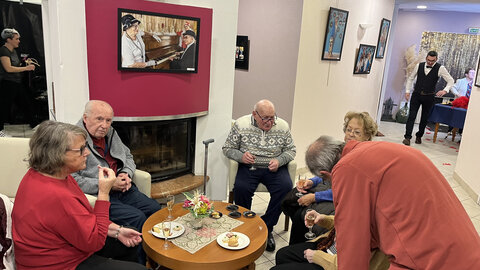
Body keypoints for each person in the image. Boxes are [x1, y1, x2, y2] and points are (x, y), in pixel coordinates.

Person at [303, 136, 480, 269]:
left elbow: (353, 248)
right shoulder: (377, 148)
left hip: (430, 260)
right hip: (466, 251)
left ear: (325, 174)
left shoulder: (345, 168)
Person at [11, 120, 145, 270]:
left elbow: (83, 218)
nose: (87, 153)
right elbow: (94, 242)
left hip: (69, 246)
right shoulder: (56, 195)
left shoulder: (49, 174)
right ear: (57, 154)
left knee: (128, 238)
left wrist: (117, 231)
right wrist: (103, 192)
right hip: (57, 264)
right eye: (81, 149)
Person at [71, 100, 161, 263]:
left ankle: (156, 259)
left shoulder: (110, 133)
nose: (105, 125)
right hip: (100, 195)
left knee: (155, 208)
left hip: (123, 188)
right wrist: (107, 184)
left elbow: (128, 156)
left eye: (108, 120)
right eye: (99, 119)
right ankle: (140, 264)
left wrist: (126, 173)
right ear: (85, 117)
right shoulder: (73, 140)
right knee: (137, 217)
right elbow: (74, 179)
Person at [284, 111, 377, 245]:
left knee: (304, 211)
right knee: (295, 199)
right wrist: (312, 181)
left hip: (343, 198)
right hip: (330, 187)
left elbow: (347, 191)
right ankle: (297, 245)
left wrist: (315, 197)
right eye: (349, 130)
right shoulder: (341, 148)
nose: (351, 134)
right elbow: (327, 172)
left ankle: (309, 246)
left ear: (367, 136)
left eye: (357, 132)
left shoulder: (362, 159)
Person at [223, 99, 296, 252]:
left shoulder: (282, 126)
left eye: (272, 117)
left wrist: (279, 160)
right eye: (265, 118)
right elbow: (227, 148)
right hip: (249, 166)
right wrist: (241, 156)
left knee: (286, 188)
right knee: (241, 188)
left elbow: (291, 150)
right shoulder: (240, 124)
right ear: (254, 114)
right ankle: (246, 226)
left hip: (274, 168)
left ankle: (267, 227)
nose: (270, 122)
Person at [403, 50, 454, 146]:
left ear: (436, 59)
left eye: (432, 61)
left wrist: (445, 90)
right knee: (411, 116)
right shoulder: (419, 65)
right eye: (428, 60)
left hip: (429, 96)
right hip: (416, 95)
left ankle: (419, 136)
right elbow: (410, 78)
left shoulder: (440, 68)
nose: (430, 62)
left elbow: (451, 80)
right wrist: (407, 91)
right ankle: (407, 137)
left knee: (424, 118)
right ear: (426, 58)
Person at [0, 28, 36, 137]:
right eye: (16, 39)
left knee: (25, 103)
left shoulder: (14, 51)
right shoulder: (3, 50)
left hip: (16, 82)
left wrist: (25, 64)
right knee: (3, 107)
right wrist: (27, 68)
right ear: (9, 39)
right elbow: (9, 69)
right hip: (7, 83)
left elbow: (16, 66)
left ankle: (34, 124)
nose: (19, 41)